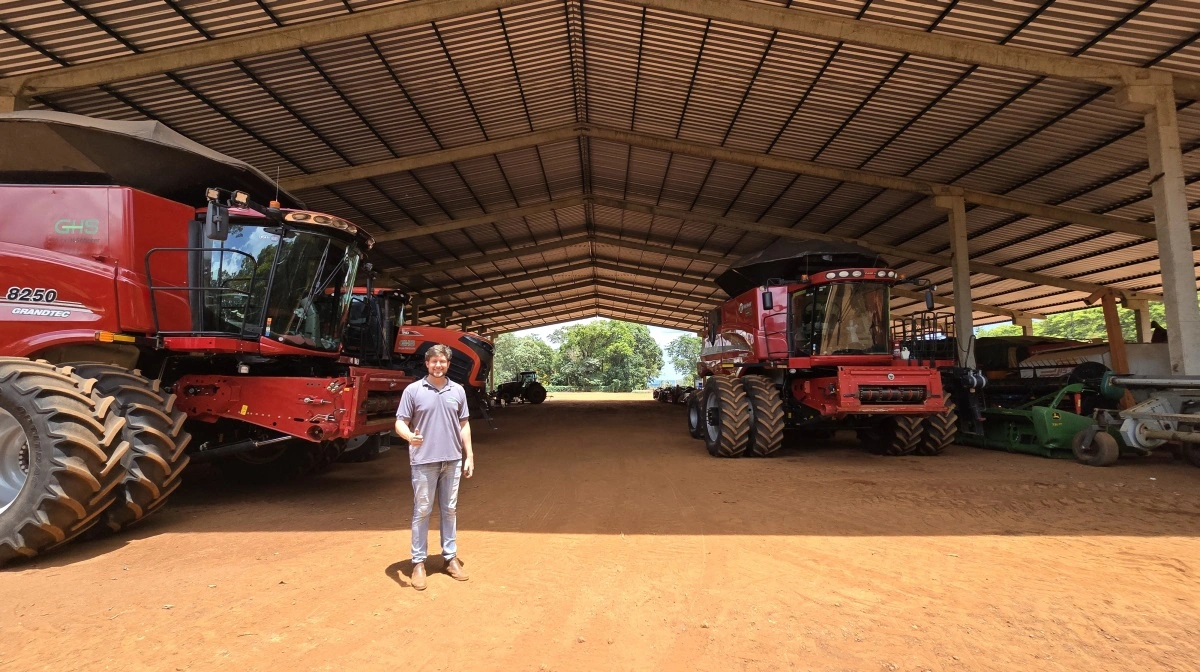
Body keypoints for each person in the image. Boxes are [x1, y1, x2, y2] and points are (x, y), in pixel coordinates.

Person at [394, 344, 475, 591]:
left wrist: (469, 455)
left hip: (451, 460)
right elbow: (400, 421)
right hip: (424, 461)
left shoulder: (458, 391)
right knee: (423, 511)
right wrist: (409, 436)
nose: (438, 365)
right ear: (427, 364)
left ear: (448, 364)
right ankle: (418, 562)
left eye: (442, 362)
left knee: (449, 509)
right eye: (433, 362)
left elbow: (464, 424)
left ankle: (450, 558)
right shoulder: (413, 390)